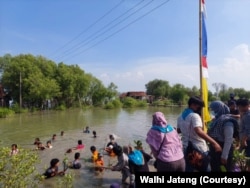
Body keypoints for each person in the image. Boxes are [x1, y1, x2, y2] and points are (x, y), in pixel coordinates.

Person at [177, 96, 222, 172]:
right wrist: (214, 143)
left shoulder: (180, 116)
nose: (200, 109)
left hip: (185, 147)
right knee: (205, 168)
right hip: (198, 148)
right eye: (200, 106)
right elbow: (198, 131)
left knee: (188, 169)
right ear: (193, 105)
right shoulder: (195, 116)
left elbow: (178, 130)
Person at [208, 101, 239, 171]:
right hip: (215, 148)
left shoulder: (227, 121)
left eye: (214, 109)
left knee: (225, 169)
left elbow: (228, 139)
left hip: (223, 148)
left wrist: (224, 156)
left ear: (219, 109)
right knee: (215, 168)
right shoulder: (216, 120)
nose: (212, 111)